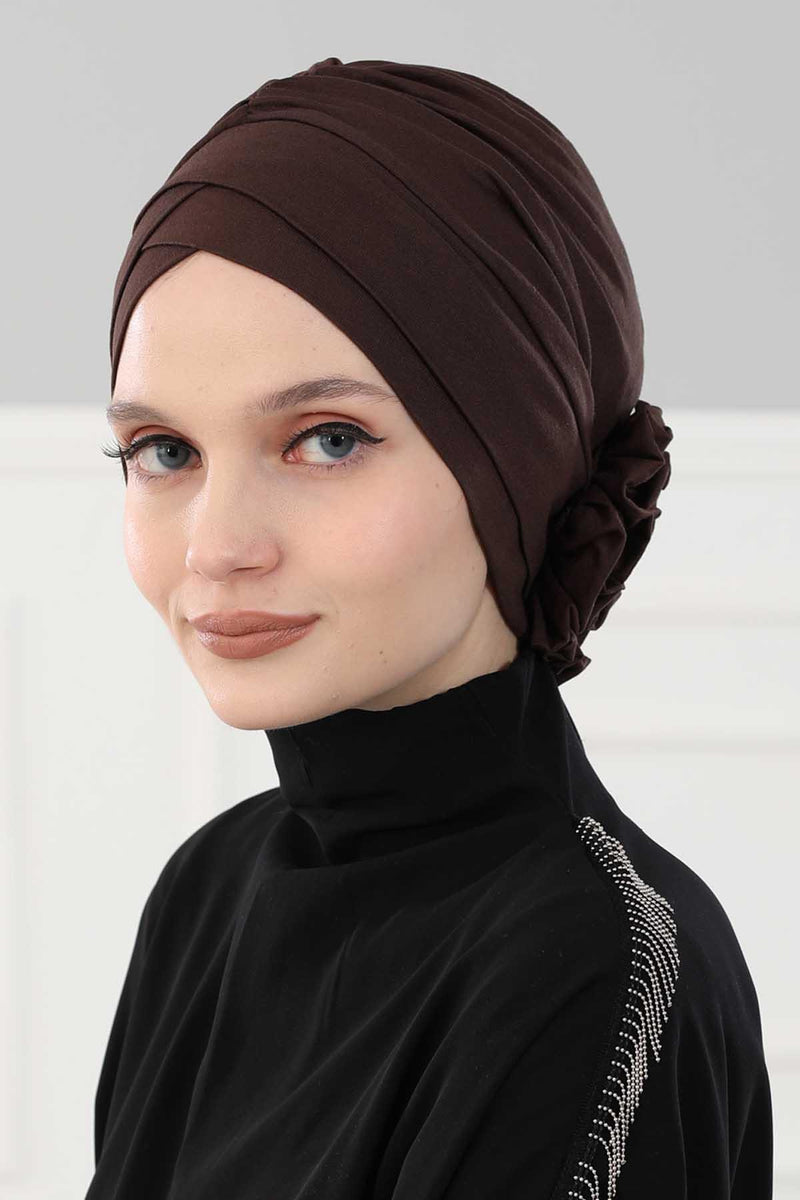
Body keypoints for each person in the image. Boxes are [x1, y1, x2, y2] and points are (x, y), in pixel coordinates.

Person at [85, 58, 772, 1199]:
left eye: (328, 440)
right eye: (164, 451)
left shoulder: (592, 965)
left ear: (516, 462)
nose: (217, 546)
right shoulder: (207, 891)